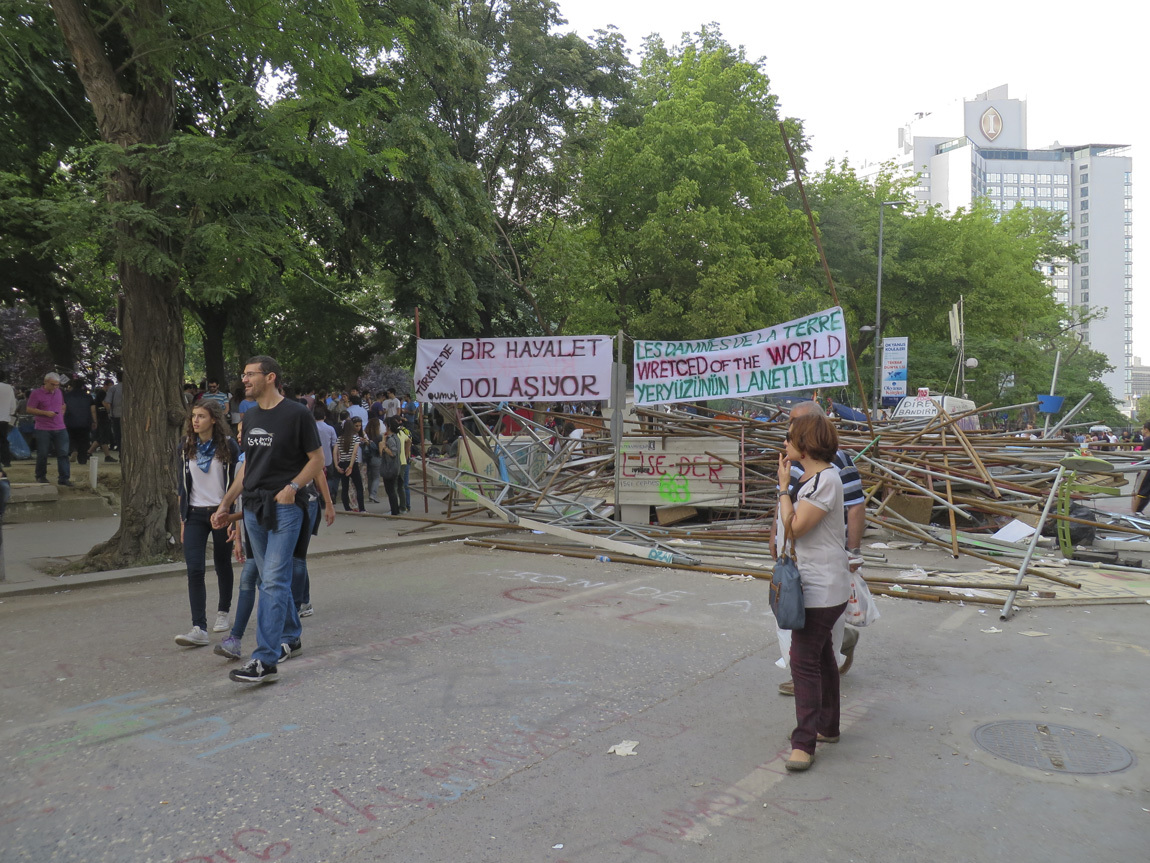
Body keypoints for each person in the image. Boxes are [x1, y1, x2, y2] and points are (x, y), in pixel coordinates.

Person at [211, 356, 324, 685]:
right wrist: (226, 504)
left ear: (270, 377)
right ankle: (292, 634)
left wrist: (292, 487)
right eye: (244, 375)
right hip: (253, 507)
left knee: (273, 580)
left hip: (285, 507)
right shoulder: (251, 415)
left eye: (250, 374)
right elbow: (248, 466)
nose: (244, 379)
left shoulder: (297, 414)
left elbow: (317, 460)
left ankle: (264, 660)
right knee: (271, 580)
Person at [774, 412, 851, 771]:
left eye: (790, 438)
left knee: (803, 661)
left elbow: (796, 528)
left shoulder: (824, 481)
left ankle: (803, 743)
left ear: (805, 445)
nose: (785, 444)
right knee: (821, 659)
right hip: (823, 582)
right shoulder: (814, 479)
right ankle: (828, 726)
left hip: (821, 587)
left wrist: (782, 487)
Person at [175, 400, 239, 647]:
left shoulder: (229, 446)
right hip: (194, 514)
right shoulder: (185, 446)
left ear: (214, 419)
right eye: (193, 416)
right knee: (195, 569)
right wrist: (182, 519)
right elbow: (182, 484)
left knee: (223, 563)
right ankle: (198, 627)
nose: (195, 420)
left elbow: (237, 483)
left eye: (201, 416)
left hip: (221, 513)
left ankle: (223, 611)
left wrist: (233, 518)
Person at [26, 372, 71, 486]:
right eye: (53, 384)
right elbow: (29, 409)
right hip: (43, 427)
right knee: (43, 453)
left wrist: (61, 414)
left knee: (63, 453)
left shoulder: (59, 392)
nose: (55, 387)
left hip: (60, 427)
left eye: (57, 385)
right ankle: (41, 476)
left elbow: (62, 404)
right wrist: (45, 413)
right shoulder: (36, 394)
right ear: (46, 382)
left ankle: (64, 478)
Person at [335, 416, 366, 512]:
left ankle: (347, 508)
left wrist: (336, 465)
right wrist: (351, 466)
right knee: (359, 486)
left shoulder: (339, 438)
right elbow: (354, 453)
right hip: (352, 464)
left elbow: (335, 451)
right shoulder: (355, 438)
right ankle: (362, 508)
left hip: (342, 463)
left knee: (345, 487)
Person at [63, 378, 95, 466]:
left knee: (71, 438)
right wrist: (94, 421)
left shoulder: (66, 396)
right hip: (85, 421)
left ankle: (74, 450)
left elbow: (63, 409)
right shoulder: (88, 396)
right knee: (84, 440)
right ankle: (82, 459)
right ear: (83, 386)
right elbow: (93, 410)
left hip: (70, 420)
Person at [87, 381, 118, 463]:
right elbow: (105, 404)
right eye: (110, 386)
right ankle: (106, 456)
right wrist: (110, 410)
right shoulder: (102, 393)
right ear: (105, 386)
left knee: (101, 437)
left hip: (103, 417)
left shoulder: (103, 393)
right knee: (103, 436)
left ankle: (90, 452)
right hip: (102, 418)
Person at [380, 417, 403, 515]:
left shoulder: (390, 440)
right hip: (395, 466)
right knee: (392, 490)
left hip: (390, 467)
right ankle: (395, 509)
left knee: (390, 490)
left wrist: (384, 447)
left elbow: (393, 452)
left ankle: (394, 511)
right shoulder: (396, 437)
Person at [364, 416, 384, 503]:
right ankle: (373, 494)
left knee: (370, 477)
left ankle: (370, 494)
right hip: (376, 458)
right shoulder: (379, 437)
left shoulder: (366, 436)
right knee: (376, 477)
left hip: (367, 458)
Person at [1132, 421, 1150, 514]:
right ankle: (1137, 512)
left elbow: (1147, 453)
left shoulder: (1147, 440)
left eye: (1143, 428)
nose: (1142, 430)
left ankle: (1134, 513)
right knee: (1144, 493)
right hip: (1146, 468)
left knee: (1139, 492)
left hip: (1146, 469)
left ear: (1146, 429)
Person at [0, 373, 17, 467]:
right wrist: (11, 412)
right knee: (4, 440)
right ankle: (6, 461)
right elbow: (13, 404)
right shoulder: (8, 387)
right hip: (4, 418)